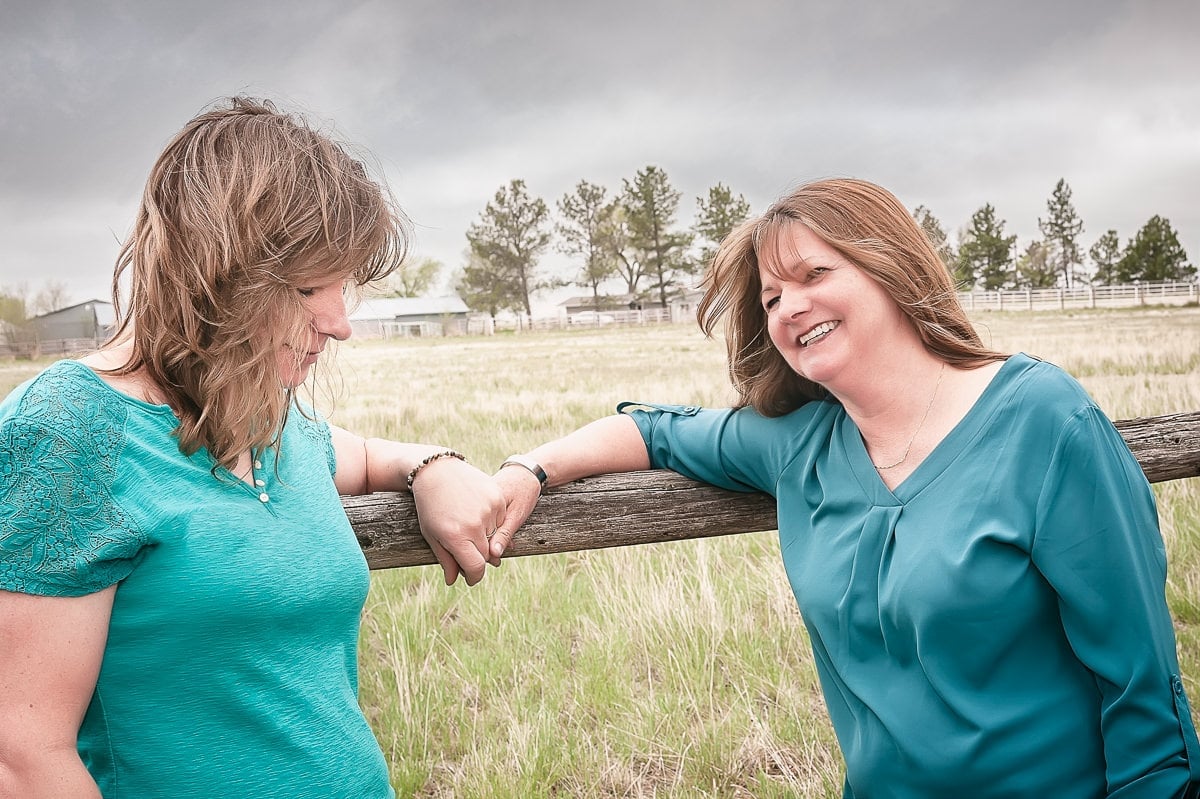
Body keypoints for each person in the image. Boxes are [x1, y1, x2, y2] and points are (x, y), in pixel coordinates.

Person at [489, 178, 1200, 798]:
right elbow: (656, 431)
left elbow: (1143, 693)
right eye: (771, 296)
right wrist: (531, 467)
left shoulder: (1044, 420)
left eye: (813, 274)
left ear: (889, 268)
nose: (788, 307)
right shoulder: (801, 444)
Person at [0, 97, 504, 799]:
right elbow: (24, 757)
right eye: (306, 287)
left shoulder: (258, 408)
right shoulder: (69, 429)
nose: (338, 322)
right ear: (214, 272)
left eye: (343, 283)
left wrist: (430, 465)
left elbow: (348, 455)